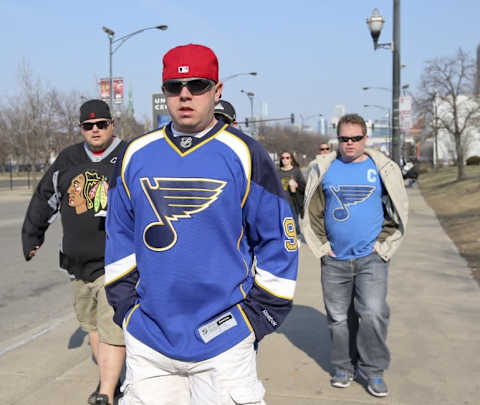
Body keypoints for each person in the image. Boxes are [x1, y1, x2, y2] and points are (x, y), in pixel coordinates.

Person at [104, 43, 298, 405]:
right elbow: (119, 236)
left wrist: (256, 318)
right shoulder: (135, 154)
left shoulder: (245, 153)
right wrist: (127, 310)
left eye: (198, 85)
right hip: (150, 342)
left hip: (224, 343)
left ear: (217, 91)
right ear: (164, 94)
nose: (185, 95)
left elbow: (280, 240)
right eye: (174, 88)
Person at [21, 99, 126, 405]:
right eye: (88, 126)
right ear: (81, 128)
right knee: (92, 325)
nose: (95, 130)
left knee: (111, 327)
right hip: (78, 263)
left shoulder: (128, 155)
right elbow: (45, 198)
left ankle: (105, 392)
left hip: (116, 262)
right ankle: (113, 381)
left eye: (101, 124)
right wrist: (32, 235)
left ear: (112, 124)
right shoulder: (68, 159)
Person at [302, 113, 408, 397]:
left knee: (372, 313)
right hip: (335, 260)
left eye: (355, 138)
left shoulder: (382, 168)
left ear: (365, 138)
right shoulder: (324, 168)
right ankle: (343, 366)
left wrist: (383, 244)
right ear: (338, 139)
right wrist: (323, 248)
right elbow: (312, 212)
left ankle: (373, 371)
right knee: (338, 318)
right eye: (344, 138)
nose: (349, 143)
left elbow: (398, 209)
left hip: (370, 258)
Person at [277, 151, 306, 240]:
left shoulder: (296, 171)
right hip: (280, 202)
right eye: (282, 158)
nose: (285, 160)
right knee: (280, 223)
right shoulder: (277, 171)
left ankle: (295, 240)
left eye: (287, 157)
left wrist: (296, 185)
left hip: (293, 201)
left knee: (293, 223)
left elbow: (304, 187)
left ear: (291, 159)